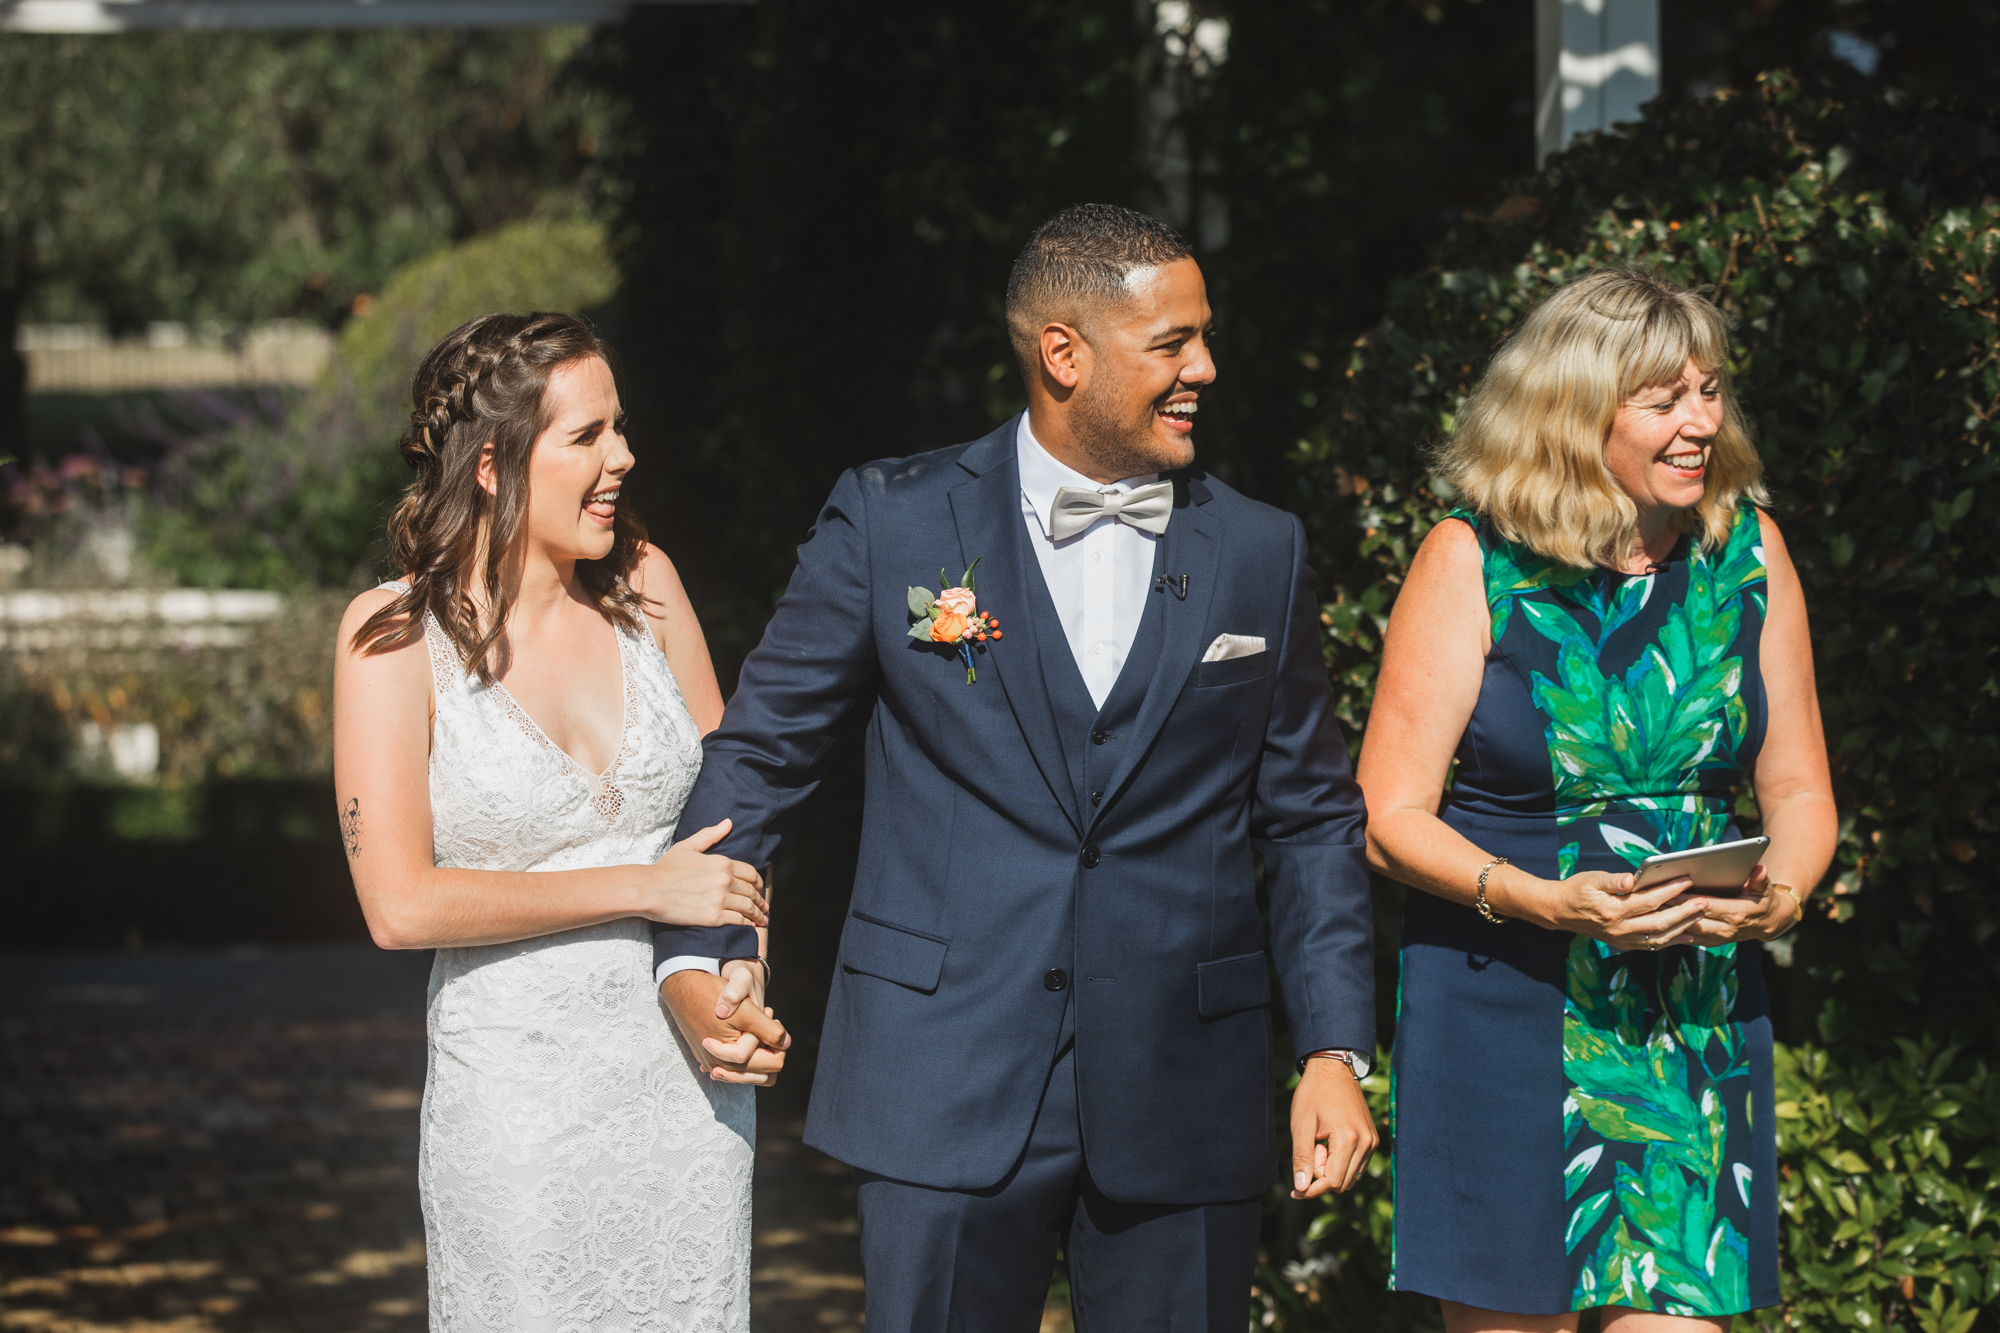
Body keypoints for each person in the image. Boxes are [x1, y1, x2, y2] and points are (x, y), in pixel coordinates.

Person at [650, 203, 1379, 1329]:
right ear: (1062, 353)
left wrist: (1332, 1046)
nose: (1206, 368)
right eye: (1172, 343)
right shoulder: (890, 520)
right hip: (938, 1077)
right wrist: (697, 953)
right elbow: (762, 754)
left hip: (1182, 1087)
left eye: (1203, 335)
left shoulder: (1255, 548)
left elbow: (1309, 816)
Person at [1358, 268, 1838, 1332]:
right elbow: (1387, 817)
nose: (1700, 423)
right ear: (1574, 415)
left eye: (1708, 392)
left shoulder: (1744, 553)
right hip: (1504, 1002)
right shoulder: (1467, 560)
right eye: (1665, 400)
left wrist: (1782, 893)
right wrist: (1540, 899)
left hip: (1687, 1015)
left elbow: (1798, 783)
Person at [331, 312, 788, 1332]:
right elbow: (398, 905)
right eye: (586, 436)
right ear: (491, 463)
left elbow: (736, 819)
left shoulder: (647, 588)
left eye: (619, 429)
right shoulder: (393, 634)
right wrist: (641, 884)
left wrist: (740, 969)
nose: (621, 457)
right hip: (519, 1117)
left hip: (686, 1104)